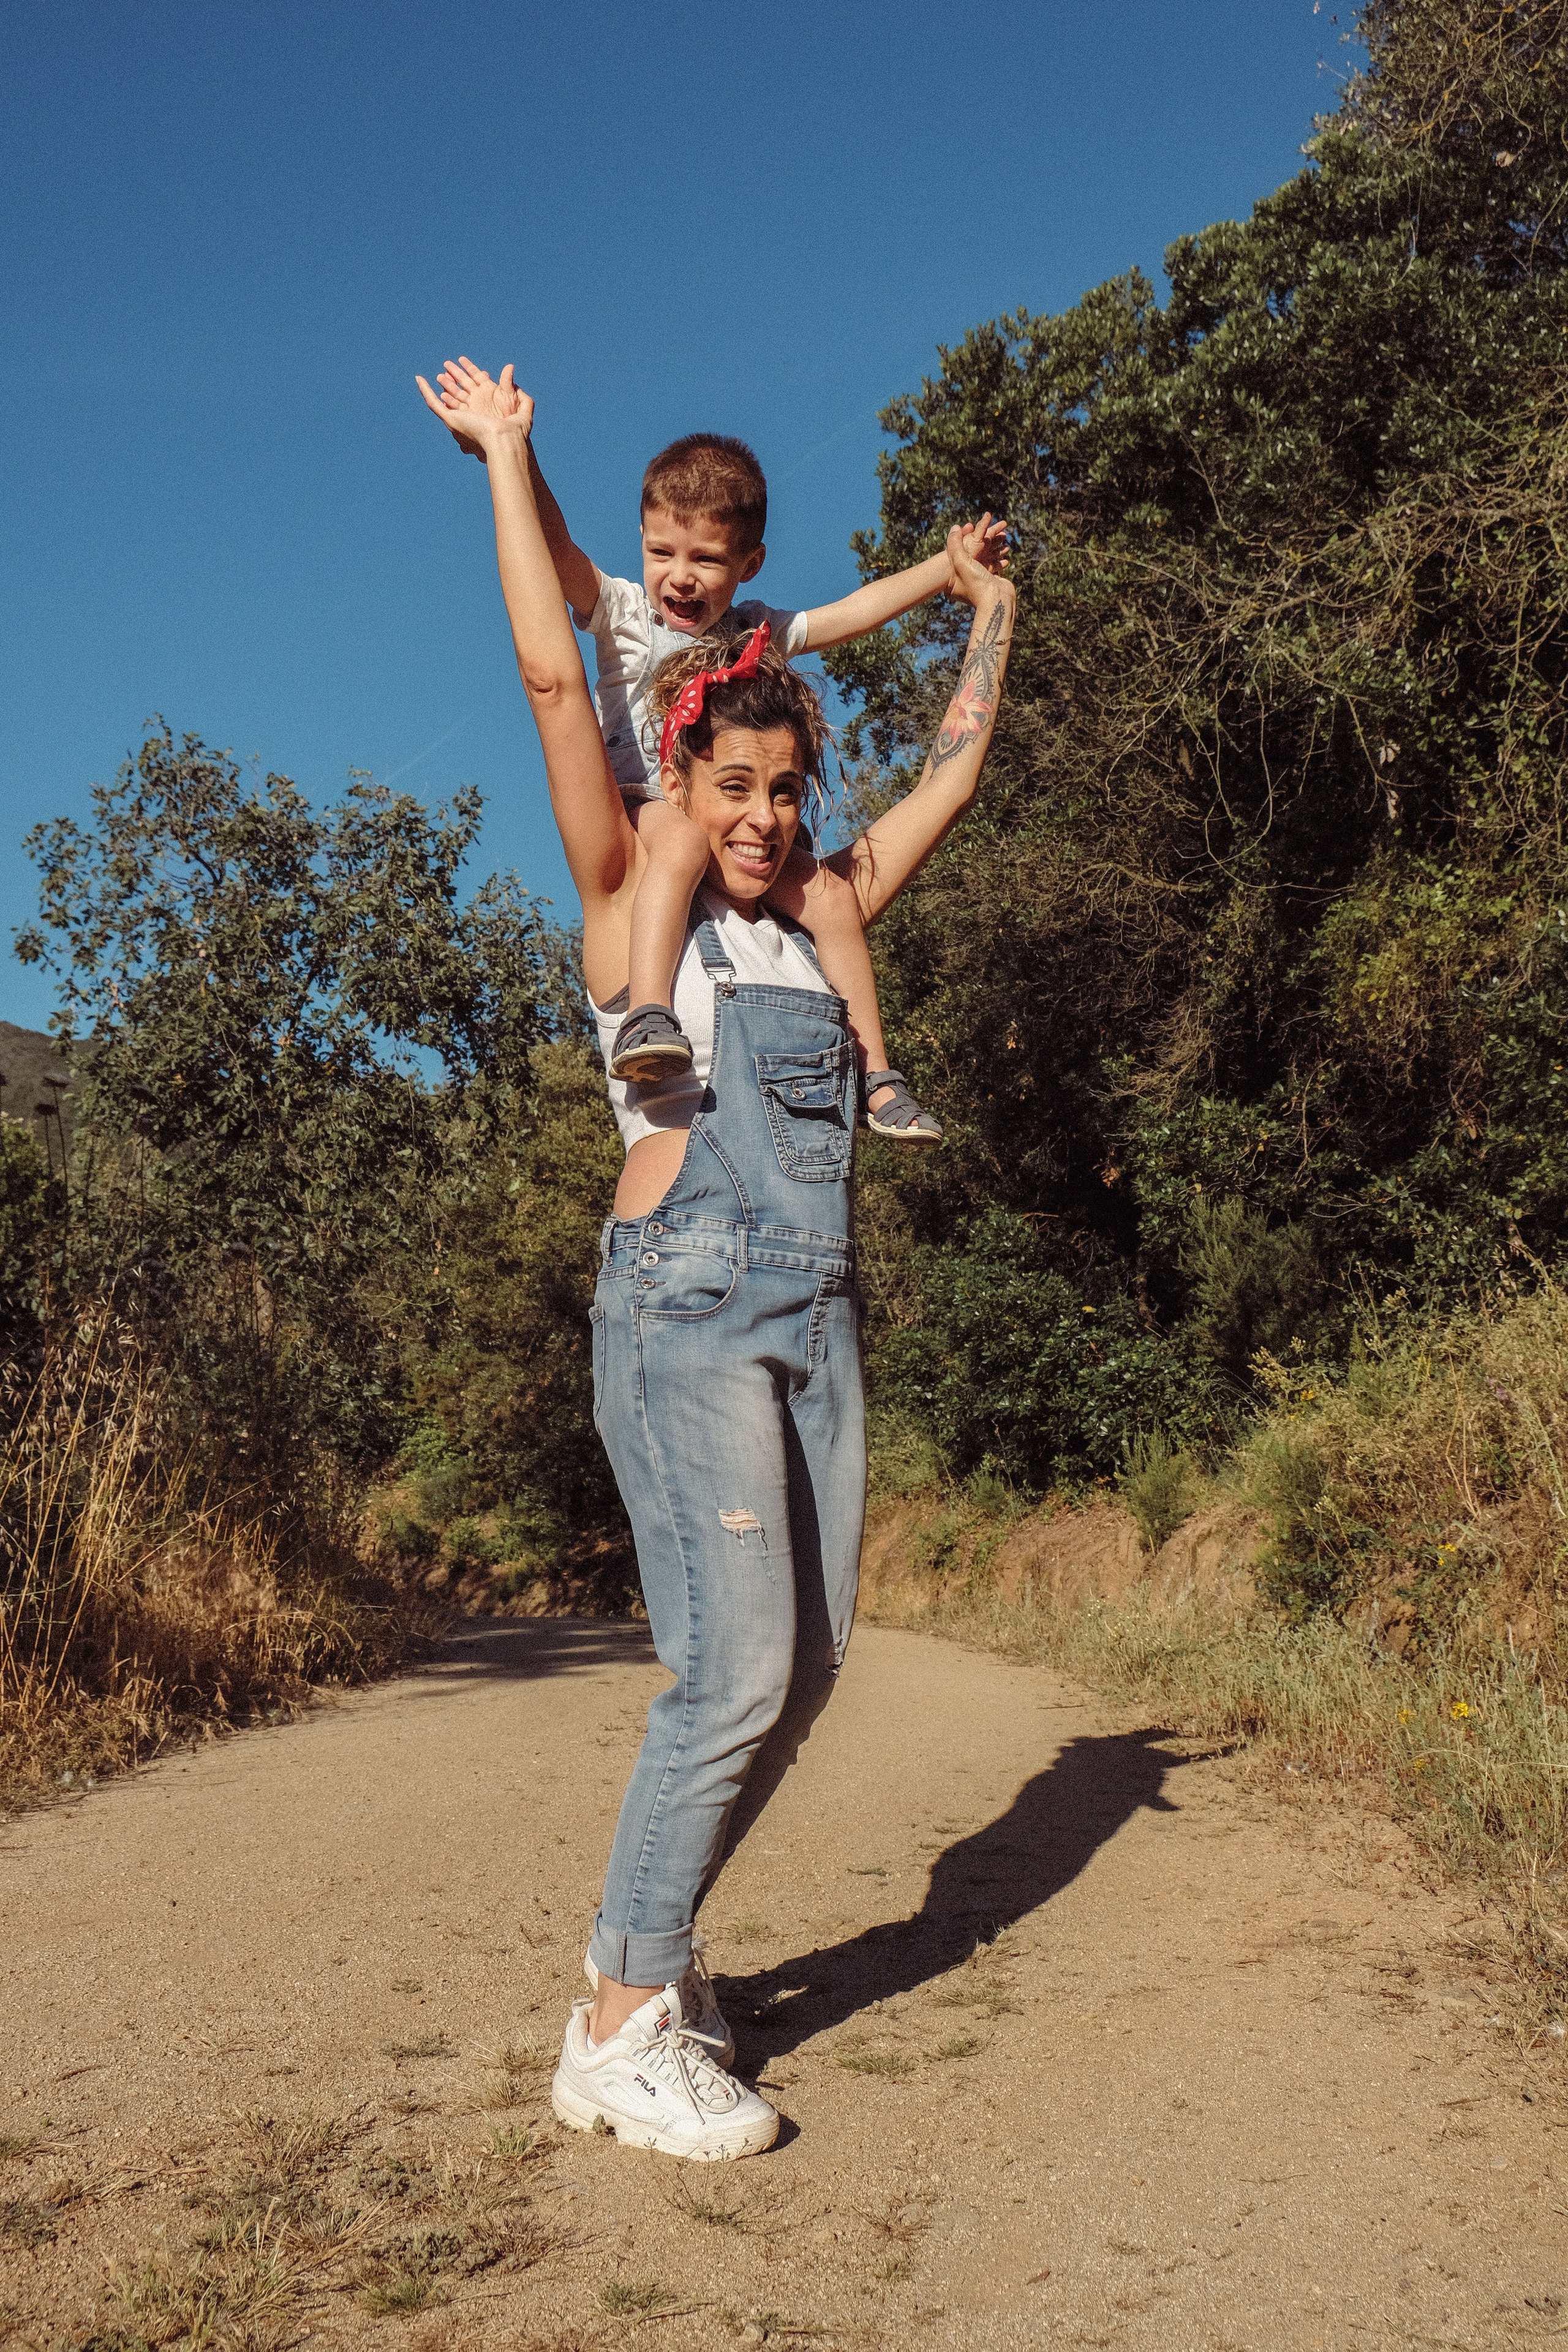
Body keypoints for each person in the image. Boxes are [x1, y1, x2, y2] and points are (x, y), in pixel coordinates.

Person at [416, 356, 1016, 2160]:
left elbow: (957, 771)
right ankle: (617, 2016)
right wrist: (512, 467)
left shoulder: (825, 915)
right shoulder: (632, 896)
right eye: (727, 785)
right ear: (678, 773)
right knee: (732, 1670)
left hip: (815, 1319)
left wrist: (981, 608)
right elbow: (550, 672)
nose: (756, 815)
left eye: (781, 788)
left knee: (811, 1663)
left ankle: (656, 1961)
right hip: (683, 1306)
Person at [423, 356, 1007, 1144]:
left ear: (748, 565)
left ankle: (877, 1073)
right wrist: (511, 454)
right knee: (677, 839)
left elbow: (853, 615)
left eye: (705, 560)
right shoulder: (626, 614)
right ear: (640, 542)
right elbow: (556, 563)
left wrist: (951, 573)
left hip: (803, 1244)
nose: (681, 578)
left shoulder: (755, 629)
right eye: (662, 553)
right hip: (645, 804)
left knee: (831, 899)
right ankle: (650, 1012)